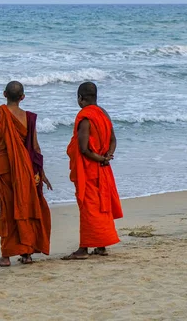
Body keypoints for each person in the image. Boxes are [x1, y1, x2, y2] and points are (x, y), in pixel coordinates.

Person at [0, 81, 52, 267]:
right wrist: (42, 173)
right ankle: (27, 254)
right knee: (25, 206)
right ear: (23, 97)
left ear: (4, 94)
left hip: (4, 168)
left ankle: (6, 256)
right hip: (25, 169)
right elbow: (35, 148)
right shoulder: (29, 118)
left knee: (9, 210)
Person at [63, 82, 123, 260]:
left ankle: (83, 249)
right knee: (101, 206)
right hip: (103, 168)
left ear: (80, 98)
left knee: (89, 208)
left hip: (89, 170)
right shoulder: (103, 113)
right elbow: (113, 139)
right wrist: (108, 156)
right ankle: (101, 245)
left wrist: (100, 158)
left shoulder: (85, 117)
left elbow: (83, 149)